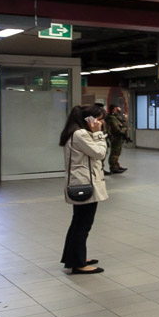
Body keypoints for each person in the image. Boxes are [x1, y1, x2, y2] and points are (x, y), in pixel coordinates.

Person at [59, 104, 108, 274]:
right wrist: (98, 134)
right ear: (89, 119)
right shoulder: (81, 134)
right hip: (85, 184)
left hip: (82, 181)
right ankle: (78, 264)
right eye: (99, 119)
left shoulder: (78, 133)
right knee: (83, 225)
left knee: (78, 223)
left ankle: (73, 257)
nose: (101, 123)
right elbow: (100, 153)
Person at [106, 105, 129, 173]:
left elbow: (123, 122)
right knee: (114, 153)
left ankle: (116, 166)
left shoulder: (116, 117)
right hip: (116, 137)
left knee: (117, 153)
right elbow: (118, 129)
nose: (120, 109)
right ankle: (113, 167)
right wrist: (125, 129)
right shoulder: (111, 118)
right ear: (114, 109)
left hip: (118, 137)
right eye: (117, 108)